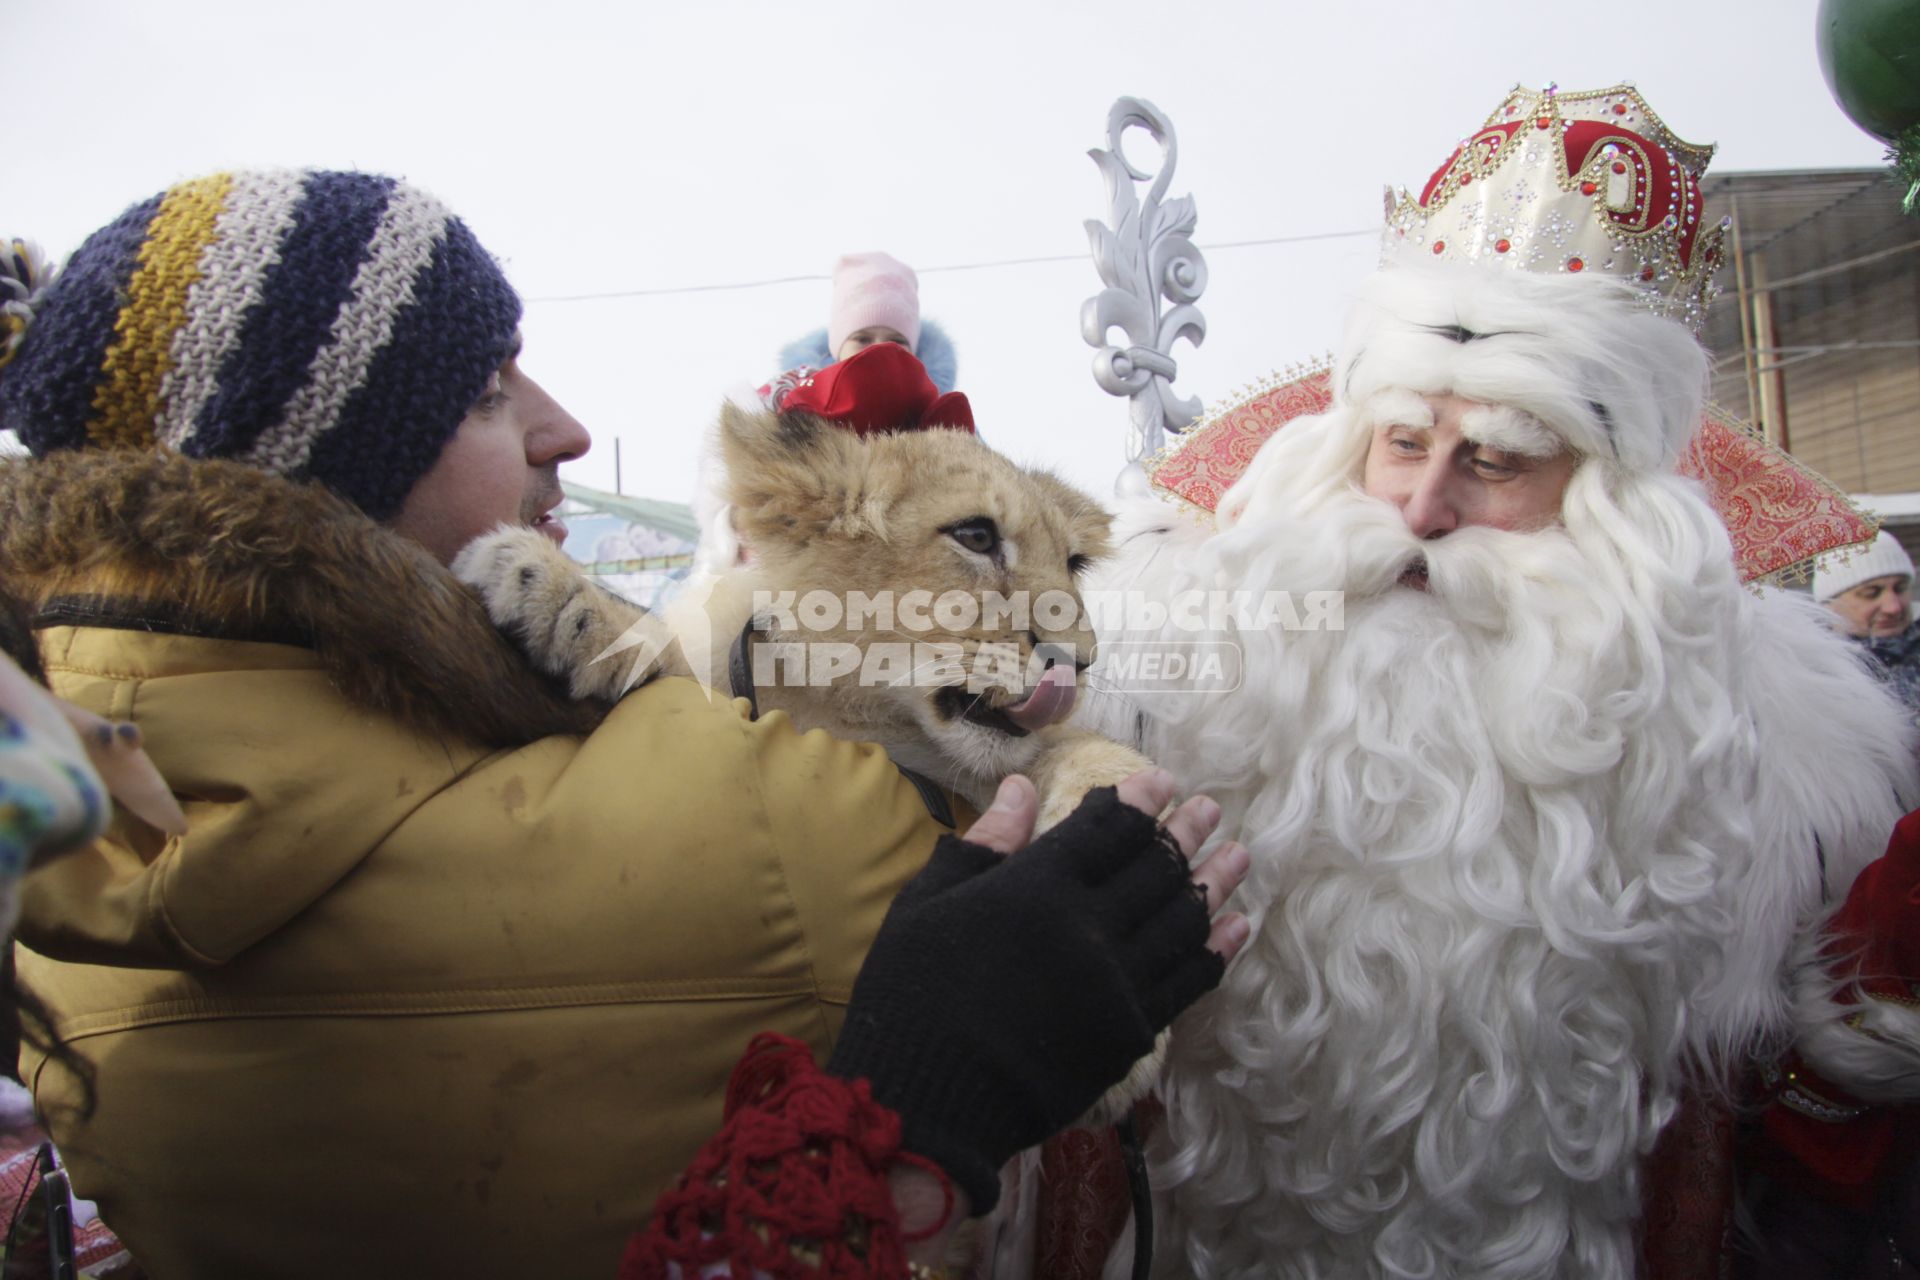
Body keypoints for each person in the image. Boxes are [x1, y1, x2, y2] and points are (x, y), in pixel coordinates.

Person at [0, 169, 1244, 1278]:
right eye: (490, 394)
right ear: (327, 471)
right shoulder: (763, 823)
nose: (565, 429)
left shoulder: (45, 886)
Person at [1078, 84, 1920, 1278]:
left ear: (1609, 499)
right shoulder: (1168, 666)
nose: (1424, 511)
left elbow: (1781, 1118)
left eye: (1497, 462)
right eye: (1405, 444)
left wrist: (1849, 1044)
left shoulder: (1765, 751)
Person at [1814, 529, 1920, 720]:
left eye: (1900, 588)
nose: (1893, 607)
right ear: (1831, 604)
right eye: (1871, 593)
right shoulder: (1810, 676)